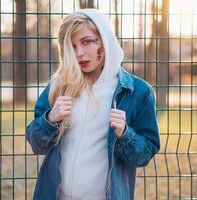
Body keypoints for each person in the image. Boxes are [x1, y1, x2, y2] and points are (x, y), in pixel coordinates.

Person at [26, 9, 160, 200]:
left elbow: (145, 154)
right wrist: (50, 119)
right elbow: (36, 144)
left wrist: (125, 134)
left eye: (86, 42)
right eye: (72, 46)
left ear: (104, 41)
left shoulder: (138, 92)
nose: (79, 53)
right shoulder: (59, 86)